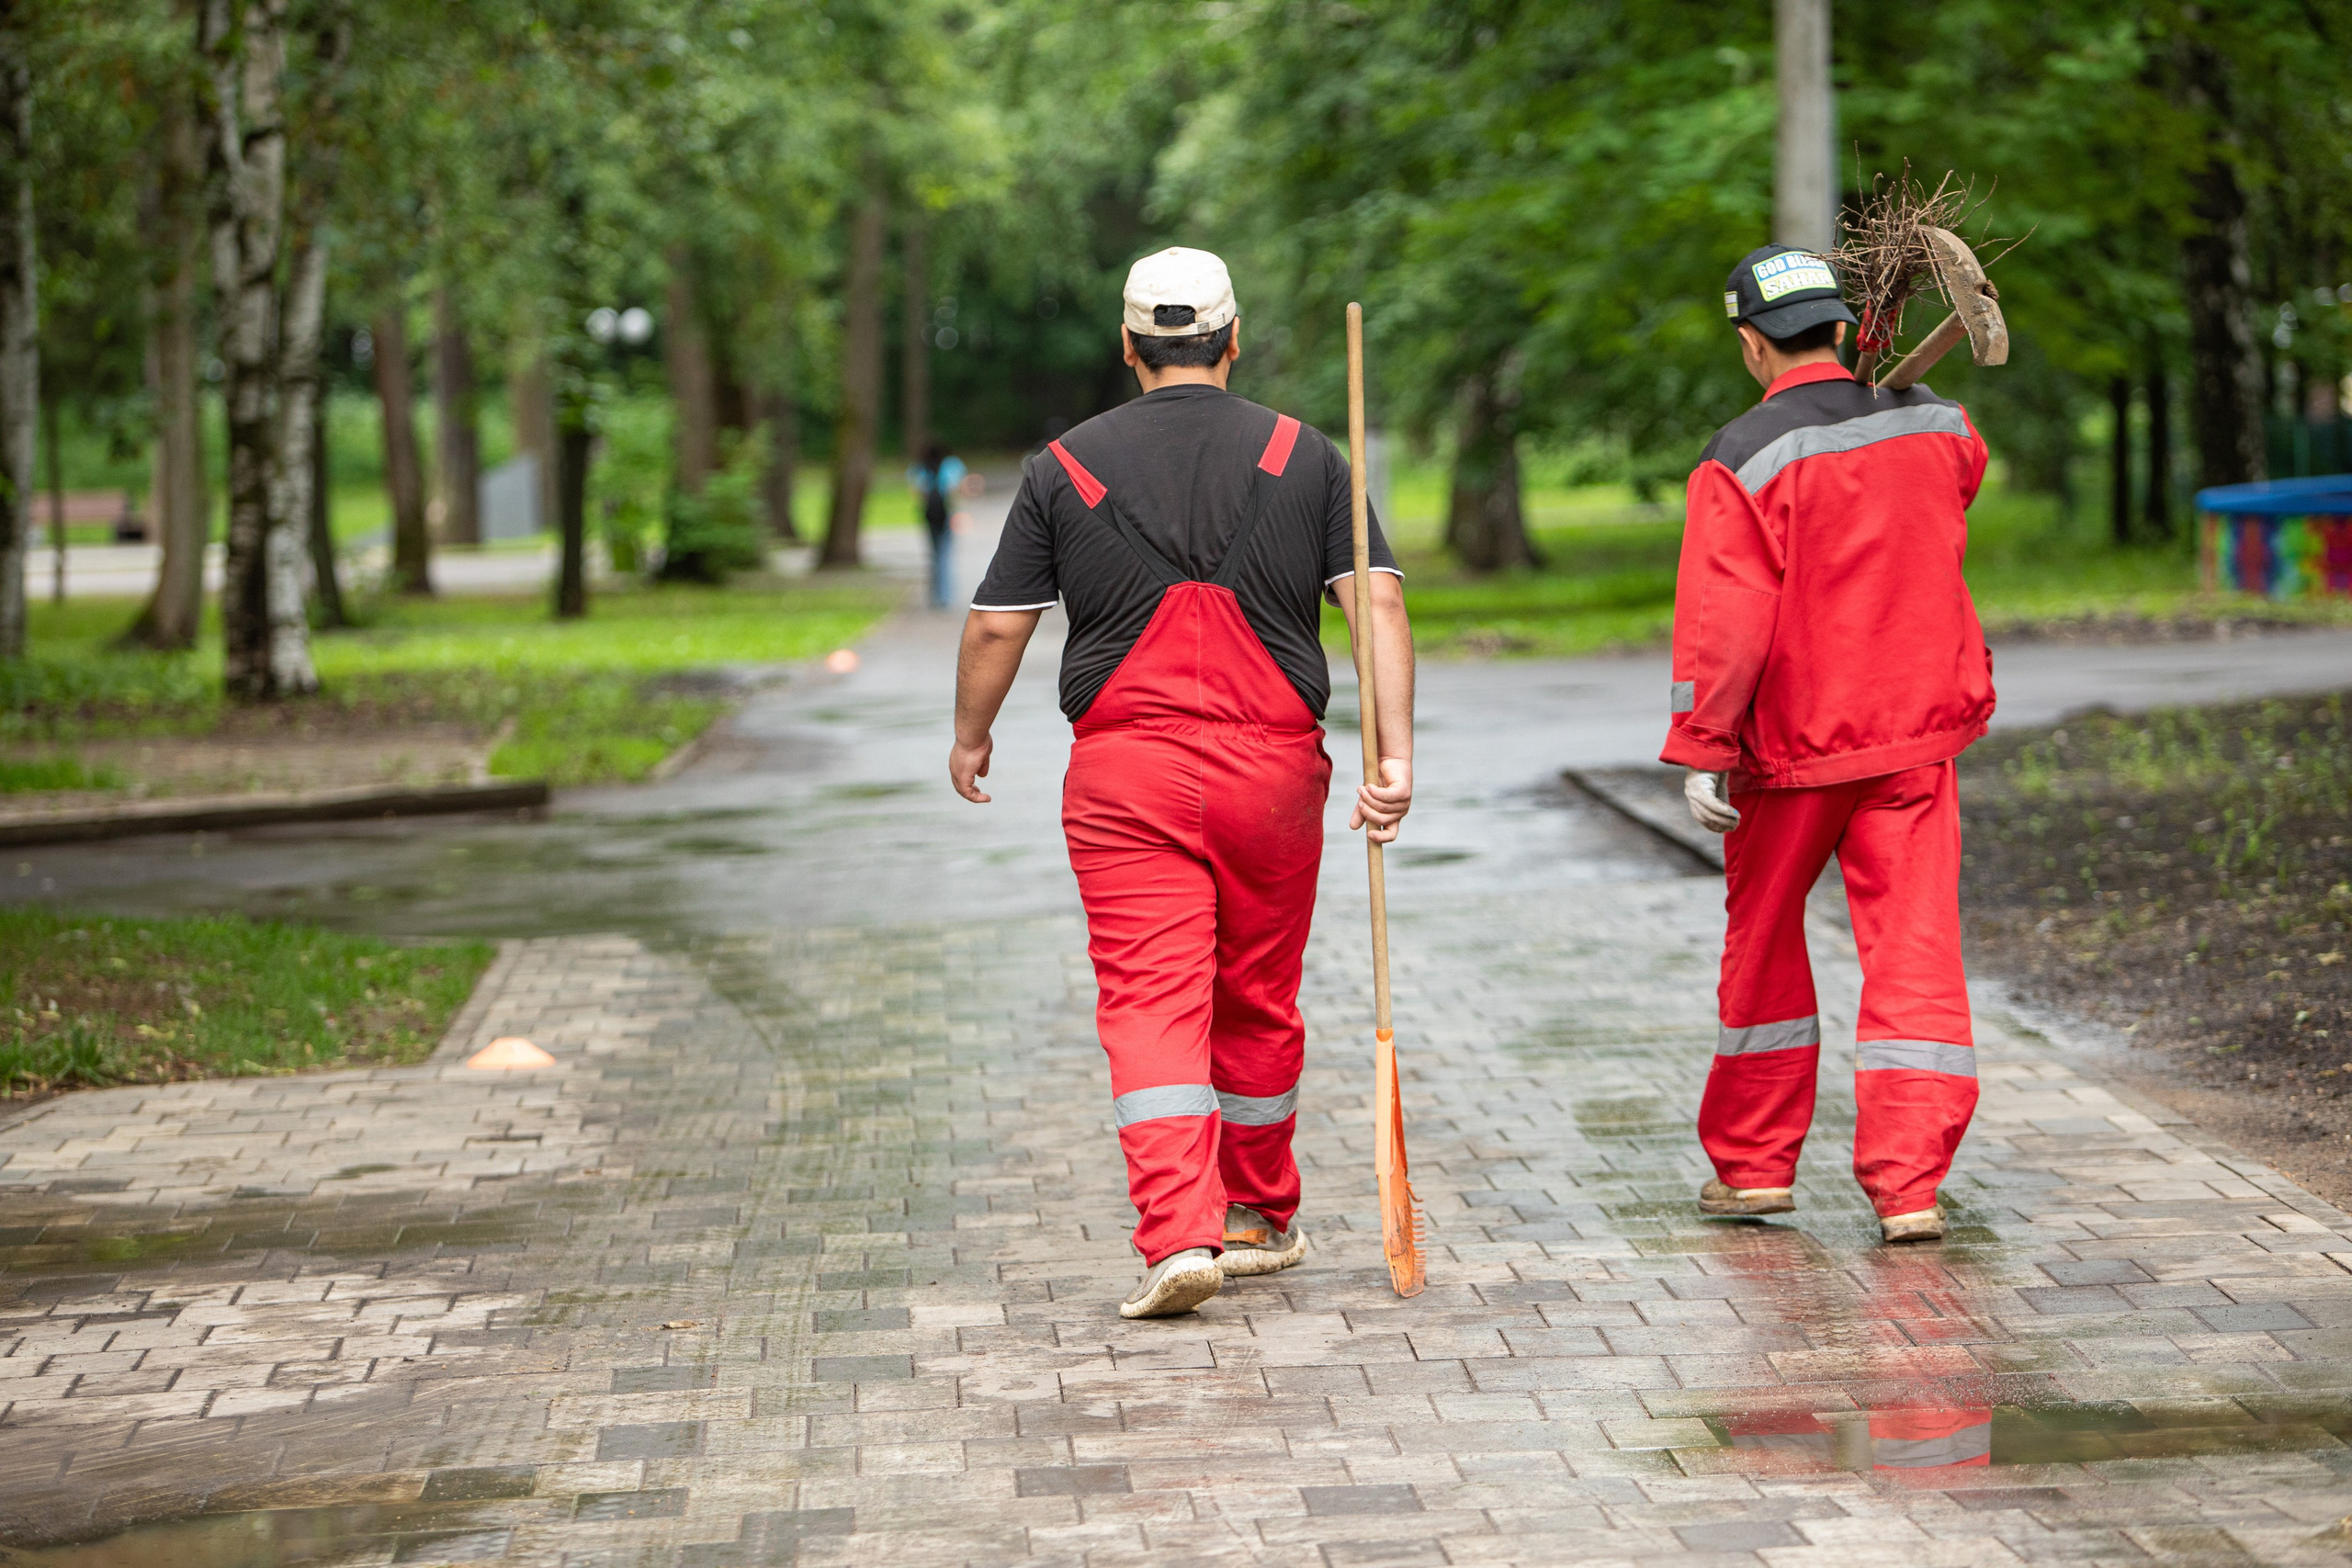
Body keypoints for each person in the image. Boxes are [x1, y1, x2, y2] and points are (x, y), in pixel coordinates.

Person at [949, 246, 1416, 1317]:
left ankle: (1178, 1234)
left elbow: (996, 625)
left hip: (1125, 775)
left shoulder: (1062, 465)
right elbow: (1377, 607)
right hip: (1273, 773)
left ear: (1128, 347)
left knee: (1151, 998)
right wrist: (1395, 757)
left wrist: (970, 736)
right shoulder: (1307, 457)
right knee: (1256, 993)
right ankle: (1256, 1211)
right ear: (1233, 339)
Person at [1665, 243, 1996, 1245]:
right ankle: (1910, 1189)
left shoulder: (1741, 455)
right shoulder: (1938, 425)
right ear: (1845, 328)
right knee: (1916, 952)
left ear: (1749, 346)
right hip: (1914, 742)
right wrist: (1901, 395)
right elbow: (1960, 481)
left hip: (1790, 751)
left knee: (1762, 947)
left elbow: (1726, 621)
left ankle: (1756, 1170)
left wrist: (1702, 743)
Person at [910, 443, 967, 609]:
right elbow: (955, 489)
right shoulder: (952, 465)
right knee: (945, 553)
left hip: (929, 514)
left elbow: (917, 491)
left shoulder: (920, 467)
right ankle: (945, 595)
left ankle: (935, 594)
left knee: (934, 554)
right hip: (945, 512)